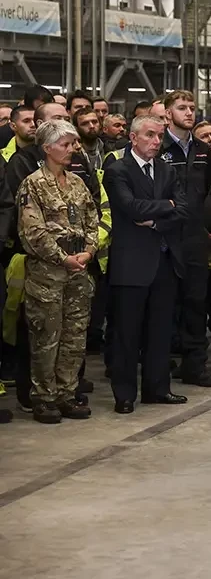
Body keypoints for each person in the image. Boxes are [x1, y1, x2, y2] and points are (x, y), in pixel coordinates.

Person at [103, 116, 189, 414]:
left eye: (159, 136)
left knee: (160, 330)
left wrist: (155, 221)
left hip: (164, 260)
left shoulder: (166, 169)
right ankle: (125, 394)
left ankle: (158, 389)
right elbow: (130, 207)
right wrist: (167, 206)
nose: (156, 141)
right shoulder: (117, 170)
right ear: (133, 137)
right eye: (150, 135)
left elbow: (184, 209)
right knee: (127, 333)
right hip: (131, 263)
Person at [18, 120, 99, 423]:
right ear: (47, 148)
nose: (71, 149)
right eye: (65, 144)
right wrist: (63, 258)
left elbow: (92, 219)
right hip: (47, 275)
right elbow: (33, 233)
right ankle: (44, 397)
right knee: (46, 338)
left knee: (74, 337)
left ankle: (67, 393)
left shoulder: (77, 182)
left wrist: (89, 251)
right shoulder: (33, 184)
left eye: (73, 144)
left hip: (78, 272)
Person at [162, 90, 211, 388]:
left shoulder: (203, 150)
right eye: (182, 107)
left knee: (196, 302)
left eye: (192, 107)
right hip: (166, 235)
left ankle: (195, 366)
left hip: (195, 236)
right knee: (165, 304)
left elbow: (208, 189)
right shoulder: (158, 146)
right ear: (168, 113)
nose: (189, 112)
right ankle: (160, 366)